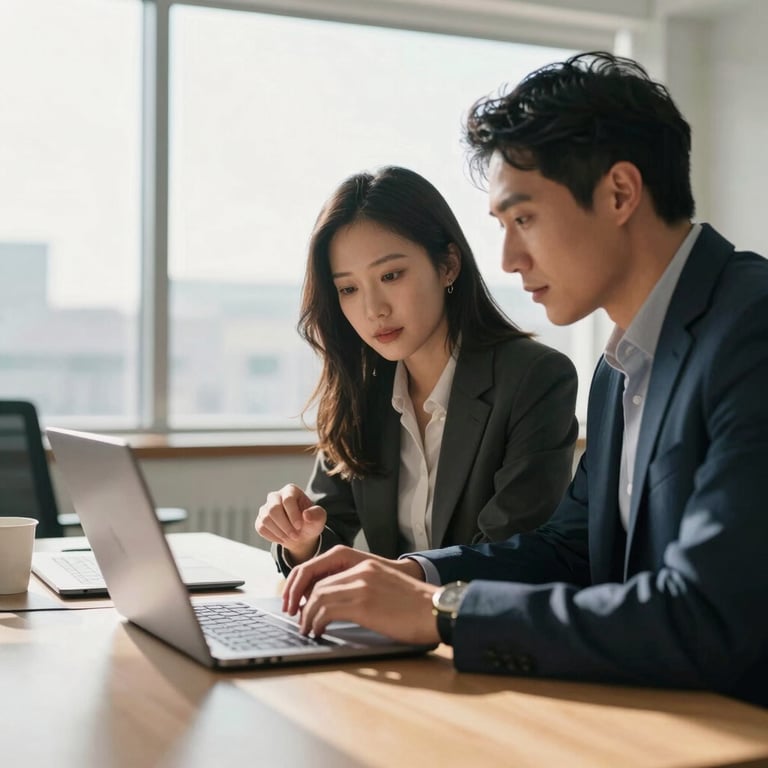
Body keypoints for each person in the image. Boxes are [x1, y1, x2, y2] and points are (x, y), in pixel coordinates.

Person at [281, 52, 768, 707]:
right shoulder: (618, 368)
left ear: (620, 194)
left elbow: (708, 613)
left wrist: (442, 611)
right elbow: (570, 551)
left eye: (524, 219)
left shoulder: (751, 330)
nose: (508, 260)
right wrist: (410, 574)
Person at [256, 166, 578, 574]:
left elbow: (513, 551)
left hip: (485, 629)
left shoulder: (535, 378)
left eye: (391, 275)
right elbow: (328, 529)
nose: (374, 309)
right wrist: (302, 540)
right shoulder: (361, 390)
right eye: (349, 289)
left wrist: (402, 578)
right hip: (389, 631)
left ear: (448, 266)